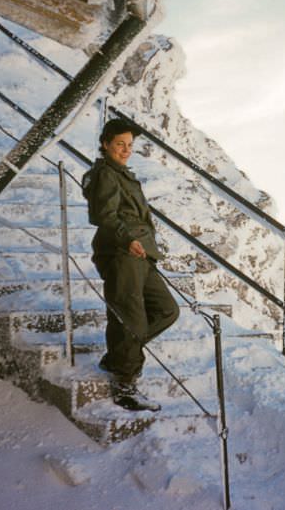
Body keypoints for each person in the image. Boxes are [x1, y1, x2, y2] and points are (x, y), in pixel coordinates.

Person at [81, 118, 180, 411]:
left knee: (167, 310)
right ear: (105, 144)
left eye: (129, 145)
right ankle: (125, 384)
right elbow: (105, 216)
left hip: (141, 252)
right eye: (119, 144)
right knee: (131, 318)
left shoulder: (122, 173)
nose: (125, 150)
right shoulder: (106, 175)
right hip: (123, 251)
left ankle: (118, 356)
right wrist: (127, 240)